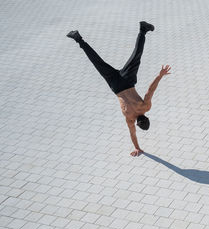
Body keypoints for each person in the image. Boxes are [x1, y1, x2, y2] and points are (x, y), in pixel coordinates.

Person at [67, 21, 171, 157]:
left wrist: (160, 76)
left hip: (128, 80)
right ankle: (78, 39)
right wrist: (137, 148)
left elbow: (150, 91)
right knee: (97, 62)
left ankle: (143, 29)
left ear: (147, 117)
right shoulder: (129, 118)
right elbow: (132, 133)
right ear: (138, 123)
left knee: (136, 56)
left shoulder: (145, 107)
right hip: (115, 85)